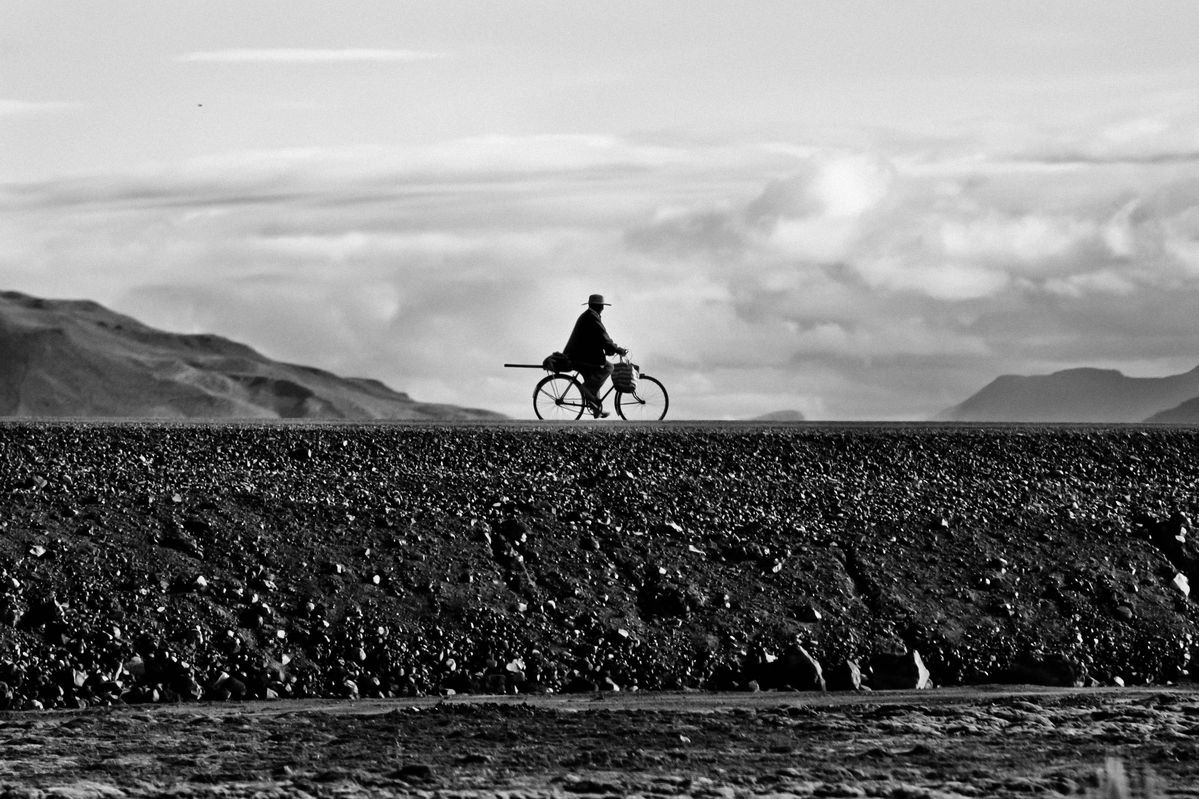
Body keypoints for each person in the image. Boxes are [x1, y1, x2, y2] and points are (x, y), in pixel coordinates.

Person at [563, 293, 627, 418]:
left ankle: (596, 408)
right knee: (608, 367)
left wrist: (610, 349)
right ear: (600, 307)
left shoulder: (589, 316)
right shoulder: (592, 317)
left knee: (594, 379)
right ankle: (585, 389)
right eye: (602, 306)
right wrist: (617, 349)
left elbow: (598, 338)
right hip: (581, 357)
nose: (602, 308)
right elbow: (604, 337)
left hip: (579, 355)